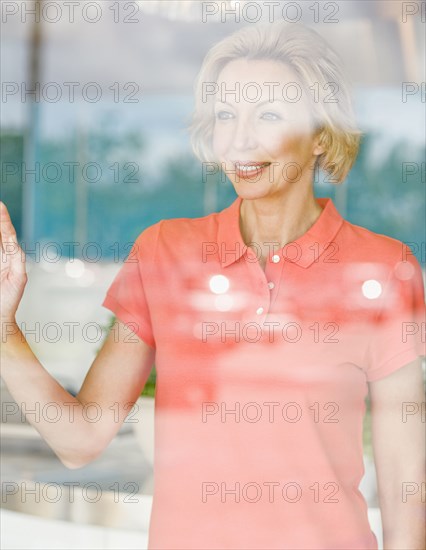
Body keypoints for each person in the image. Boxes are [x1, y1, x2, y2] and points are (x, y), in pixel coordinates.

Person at [1, 21, 425, 550]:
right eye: (226, 115)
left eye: (268, 115)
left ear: (321, 133)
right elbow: (81, 440)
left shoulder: (384, 268)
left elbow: (407, 485)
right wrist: (3, 331)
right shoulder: (164, 252)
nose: (239, 139)